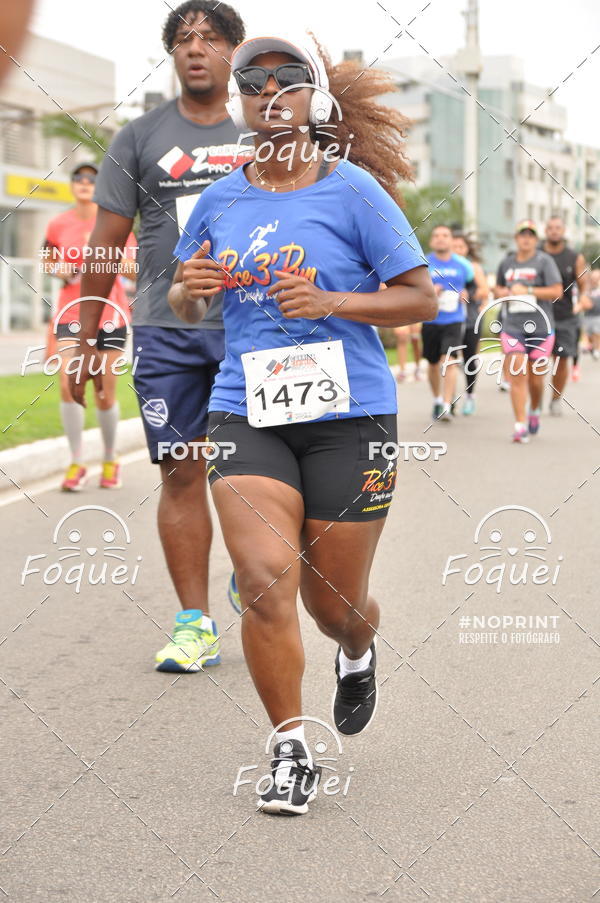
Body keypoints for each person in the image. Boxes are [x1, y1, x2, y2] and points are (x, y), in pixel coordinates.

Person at [169, 32, 436, 814]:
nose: (270, 90)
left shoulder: (353, 190)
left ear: (314, 99)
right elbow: (187, 303)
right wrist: (191, 287)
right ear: (238, 101)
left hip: (348, 415)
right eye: (254, 80)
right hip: (245, 409)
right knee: (261, 579)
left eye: (288, 79)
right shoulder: (218, 199)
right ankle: (290, 746)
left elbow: (422, 299)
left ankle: (357, 651)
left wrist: (331, 302)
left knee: (335, 604)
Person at [69, 1, 251, 672]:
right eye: (183, 39)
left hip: (252, 330)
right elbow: (102, 245)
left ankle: (251, 569)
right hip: (166, 329)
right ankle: (193, 623)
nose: (194, 48)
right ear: (172, 55)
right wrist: (89, 338)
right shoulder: (138, 138)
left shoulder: (261, 135)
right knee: (182, 471)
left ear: (235, 51)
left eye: (209, 38)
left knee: (254, 472)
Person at [43, 161, 136, 491]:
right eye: (78, 178)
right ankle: (76, 462)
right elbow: (48, 259)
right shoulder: (57, 224)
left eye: (91, 179)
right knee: (68, 386)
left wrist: (109, 259)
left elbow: (134, 268)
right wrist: (61, 269)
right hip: (70, 315)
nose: (84, 182)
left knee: (104, 393)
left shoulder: (115, 221)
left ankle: (110, 458)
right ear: (72, 185)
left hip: (110, 315)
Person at [494, 220, 562, 443]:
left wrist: (529, 289)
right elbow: (498, 289)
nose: (526, 238)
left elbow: (556, 291)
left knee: (535, 380)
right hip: (513, 327)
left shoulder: (545, 261)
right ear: (516, 238)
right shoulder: (506, 263)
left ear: (536, 239)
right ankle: (520, 425)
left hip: (541, 328)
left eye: (530, 235)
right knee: (518, 375)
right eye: (522, 234)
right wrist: (503, 291)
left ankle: (534, 410)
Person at [422, 225, 473, 421]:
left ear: (452, 240)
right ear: (431, 241)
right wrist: (430, 292)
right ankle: (437, 399)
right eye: (436, 235)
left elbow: (473, 287)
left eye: (445, 235)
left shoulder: (463, 265)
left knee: (449, 361)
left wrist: (467, 295)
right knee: (433, 363)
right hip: (431, 319)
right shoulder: (424, 263)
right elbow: (415, 292)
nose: (440, 239)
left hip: (454, 319)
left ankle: (446, 403)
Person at [542, 216, 590, 413]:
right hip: (537, 315)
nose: (554, 231)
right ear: (546, 231)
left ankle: (555, 398)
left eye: (558, 227)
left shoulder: (574, 257)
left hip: (565, 316)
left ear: (563, 231)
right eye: (551, 227)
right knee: (532, 360)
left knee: (562, 359)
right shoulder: (536, 254)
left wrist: (584, 298)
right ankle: (532, 397)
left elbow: (584, 284)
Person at [451, 231, 489, 414]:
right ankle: (447, 400)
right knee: (448, 358)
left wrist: (469, 295)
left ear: (466, 249)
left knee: (469, 359)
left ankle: (470, 396)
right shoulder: (443, 267)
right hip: (449, 319)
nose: (457, 250)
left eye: (461, 247)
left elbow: (484, 290)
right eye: (454, 247)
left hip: (470, 319)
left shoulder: (473, 267)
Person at [583, 269, 600, 360]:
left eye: (596, 277)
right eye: (593, 277)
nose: (595, 279)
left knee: (597, 333)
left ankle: (597, 350)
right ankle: (592, 347)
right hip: (588, 315)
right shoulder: (587, 289)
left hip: (598, 315)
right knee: (589, 335)